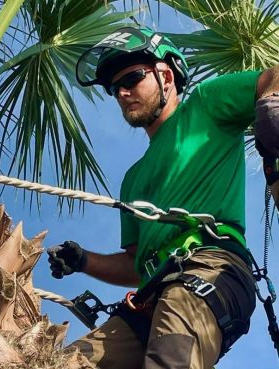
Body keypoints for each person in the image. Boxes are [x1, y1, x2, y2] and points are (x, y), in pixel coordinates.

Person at [48, 26, 279, 369]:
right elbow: (135, 263)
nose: (122, 93)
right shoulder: (132, 181)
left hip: (210, 267)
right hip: (153, 290)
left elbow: (272, 76)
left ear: (166, 75)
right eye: (115, 88)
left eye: (132, 79)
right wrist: (84, 261)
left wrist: (271, 106)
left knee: (170, 361)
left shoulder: (204, 106)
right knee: (62, 363)